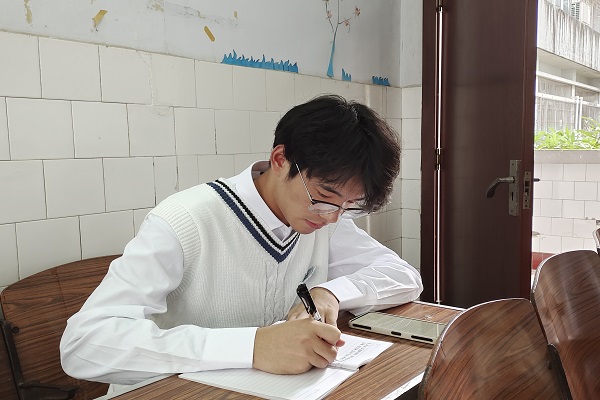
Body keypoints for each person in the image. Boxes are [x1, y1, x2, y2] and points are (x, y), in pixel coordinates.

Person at [60, 94, 423, 386]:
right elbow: (84, 344)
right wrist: (252, 347)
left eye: (349, 205)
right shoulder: (184, 220)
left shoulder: (324, 219)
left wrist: (331, 292)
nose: (332, 216)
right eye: (325, 196)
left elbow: (405, 277)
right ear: (280, 159)